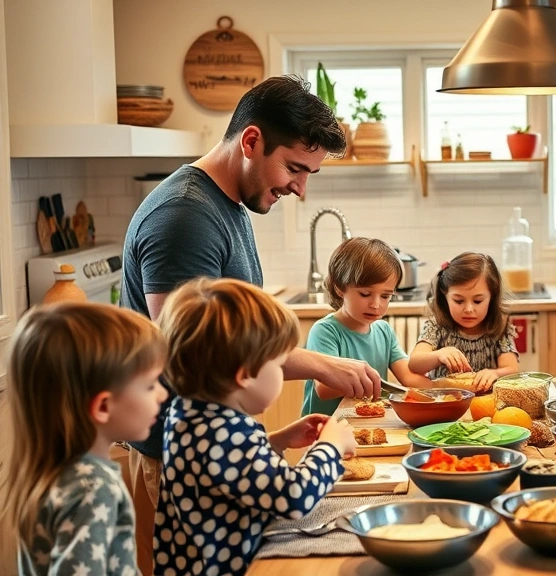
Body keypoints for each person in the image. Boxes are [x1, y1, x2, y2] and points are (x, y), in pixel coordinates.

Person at [119, 75, 379, 542]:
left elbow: (233, 344)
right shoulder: (184, 218)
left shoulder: (229, 202)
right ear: (252, 141)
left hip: (220, 450)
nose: (299, 189)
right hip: (181, 460)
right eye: (295, 169)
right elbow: (200, 358)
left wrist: (267, 441)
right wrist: (323, 365)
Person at [154, 278, 358, 575]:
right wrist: (331, 447)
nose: (282, 373)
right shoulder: (223, 432)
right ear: (245, 376)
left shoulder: (191, 413)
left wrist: (276, 440)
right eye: (277, 365)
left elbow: (224, 471)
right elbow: (293, 498)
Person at [2, 303, 167, 575]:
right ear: (103, 407)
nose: (162, 395)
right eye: (151, 385)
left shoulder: (54, 472)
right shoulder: (93, 488)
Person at [302, 238, 434, 416]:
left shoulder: (384, 331)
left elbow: (408, 377)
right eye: (365, 294)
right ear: (339, 287)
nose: (376, 304)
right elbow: (324, 389)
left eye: (386, 296)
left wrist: (448, 388)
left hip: (366, 425)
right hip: (324, 431)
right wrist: (369, 380)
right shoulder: (325, 331)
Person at [408, 252, 520, 392]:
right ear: (445, 294)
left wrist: (495, 373)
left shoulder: (499, 326)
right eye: (459, 301)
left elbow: (512, 370)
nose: (468, 309)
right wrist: (438, 355)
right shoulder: (436, 326)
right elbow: (414, 364)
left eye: (478, 301)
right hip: (444, 405)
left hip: (485, 405)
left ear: (492, 296)